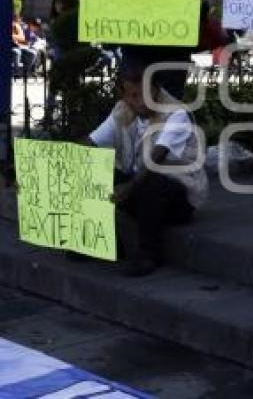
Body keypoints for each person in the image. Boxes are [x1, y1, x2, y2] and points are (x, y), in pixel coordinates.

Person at [86, 62, 208, 276]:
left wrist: (129, 187)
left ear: (156, 89)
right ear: (124, 96)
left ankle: (148, 255)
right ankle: (104, 241)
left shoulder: (176, 114)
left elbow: (156, 159)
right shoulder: (122, 110)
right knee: (92, 165)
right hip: (139, 187)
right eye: (133, 96)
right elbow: (91, 142)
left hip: (178, 197)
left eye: (145, 94)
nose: (141, 101)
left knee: (151, 183)